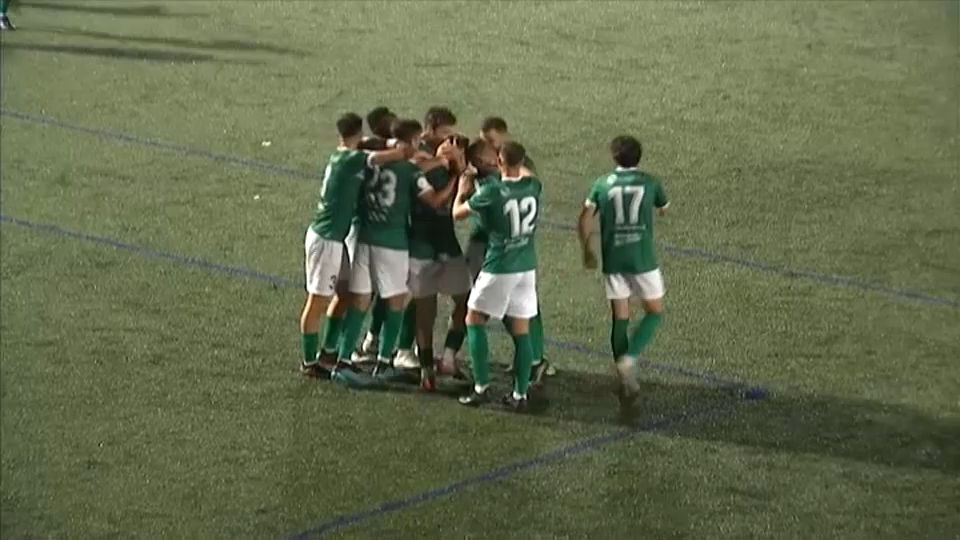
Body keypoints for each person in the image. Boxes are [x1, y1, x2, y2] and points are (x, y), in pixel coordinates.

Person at [331, 119, 455, 383]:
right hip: (392, 242)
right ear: (411, 141)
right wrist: (455, 177)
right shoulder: (409, 171)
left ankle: (343, 359)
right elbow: (434, 200)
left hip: (364, 236)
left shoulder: (368, 161)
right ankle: (385, 361)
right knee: (396, 301)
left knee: (360, 300)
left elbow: (366, 149)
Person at [299, 113, 413, 378]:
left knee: (346, 293)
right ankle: (308, 361)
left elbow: (370, 145)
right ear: (358, 133)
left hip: (334, 238)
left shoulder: (342, 155)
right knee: (317, 300)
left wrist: (382, 141)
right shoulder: (353, 159)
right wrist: (397, 145)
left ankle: (329, 351)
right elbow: (398, 155)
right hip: (326, 239)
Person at [576, 135, 669, 410]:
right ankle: (629, 358)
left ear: (614, 157)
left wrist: (587, 250)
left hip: (613, 257)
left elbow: (584, 217)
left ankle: (625, 380)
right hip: (642, 258)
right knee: (654, 311)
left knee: (620, 316)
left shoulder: (602, 184)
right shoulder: (650, 182)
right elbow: (663, 209)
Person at [452, 141, 542, 411]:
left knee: (474, 318)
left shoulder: (491, 191)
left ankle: (481, 387)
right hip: (526, 266)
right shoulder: (533, 186)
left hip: (499, 266)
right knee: (521, 331)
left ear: (500, 163)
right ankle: (520, 394)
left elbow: (457, 214)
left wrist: (461, 191)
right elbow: (526, 174)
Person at [478, 117, 552, 382]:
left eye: (491, 140)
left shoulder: (519, 167)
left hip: (508, 248)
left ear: (503, 136)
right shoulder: (489, 162)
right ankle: (529, 361)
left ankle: (534, 358)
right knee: (518, 306)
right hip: (500, 244)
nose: (487, 146)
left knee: (522, 308)